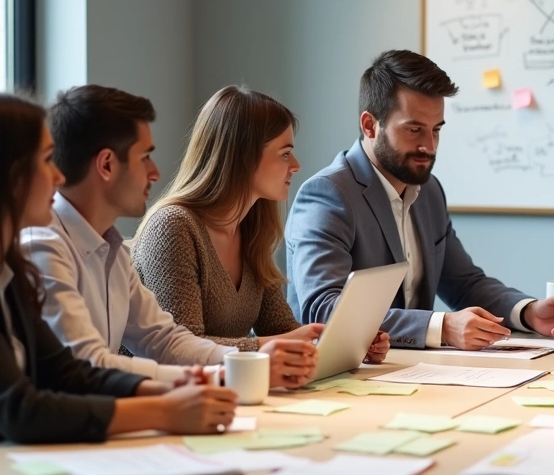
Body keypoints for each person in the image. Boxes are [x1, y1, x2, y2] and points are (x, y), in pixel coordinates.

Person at [0, 93, 238, 475]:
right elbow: (20, 410)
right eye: (46, 160)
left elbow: (65, 372)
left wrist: (166, 388)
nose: (59, 177)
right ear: (6, 176)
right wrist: (163, 410)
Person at [22, 85, 316, 387]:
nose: (156, 173)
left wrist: (226, 371)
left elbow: (163, 339)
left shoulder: (109, 247)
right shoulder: (43, 246)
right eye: (145, 158)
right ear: (107, 164)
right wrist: (239, 366)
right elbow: (88, 364)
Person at [286, 50, 554, 350]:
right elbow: (323, 311)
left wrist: (528, 312)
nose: (428, 146)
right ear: (370, 125)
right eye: (414, 129)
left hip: (411, 373)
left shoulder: (428, 192)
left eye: (435, 130)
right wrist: (440, 326)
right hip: (338, 379)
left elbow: (464, 283)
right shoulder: (327, 195)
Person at [133, 86, 387, 387]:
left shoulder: (250, 228)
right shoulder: (173, 227)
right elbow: (180, 347)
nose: (296, 166)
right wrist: (262, 348)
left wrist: (342, 343)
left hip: (231, 393)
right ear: (242, 157)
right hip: (166, 397)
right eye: (285, 154)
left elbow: (281, 328)